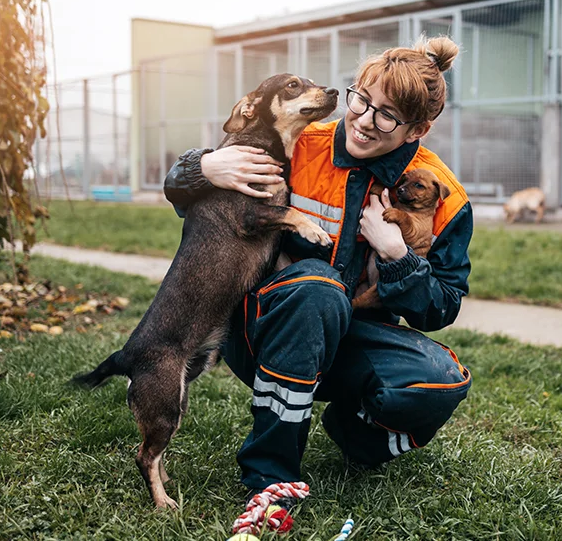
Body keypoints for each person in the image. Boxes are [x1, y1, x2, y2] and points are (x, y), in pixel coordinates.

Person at [163, 36, 473, 533]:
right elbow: (188, 198)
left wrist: (396, 256)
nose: (366, 120)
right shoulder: (300, 145)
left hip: (349, 337)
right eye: (362, 99)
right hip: (263, 332)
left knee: (441, 381)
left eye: (388, 116)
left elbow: (442, 307)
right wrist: (202, 166)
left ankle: (352, 433)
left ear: (420, 128)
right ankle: (270, 479)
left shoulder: (442, 194)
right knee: (318, 287)